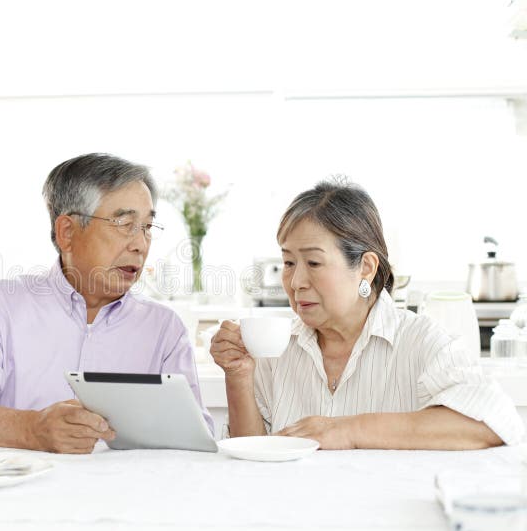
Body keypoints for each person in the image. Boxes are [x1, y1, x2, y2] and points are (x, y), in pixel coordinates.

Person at [210, 178, 524, 449]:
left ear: (366, 267)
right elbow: (250, 460)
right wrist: (238, 375)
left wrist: (347, 430)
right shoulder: (275, 349)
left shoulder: (421, 341)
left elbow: (494, 422)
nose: (295, 282)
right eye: (289, 263)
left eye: (314, 263)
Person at [0, 153, 212, 453]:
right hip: (17, 491)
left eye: (146, 227)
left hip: (125, 494)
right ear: (67, 232)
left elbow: (197, 437)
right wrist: (32, 429)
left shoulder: (163, 327)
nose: (140, 244)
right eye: (125, 224)